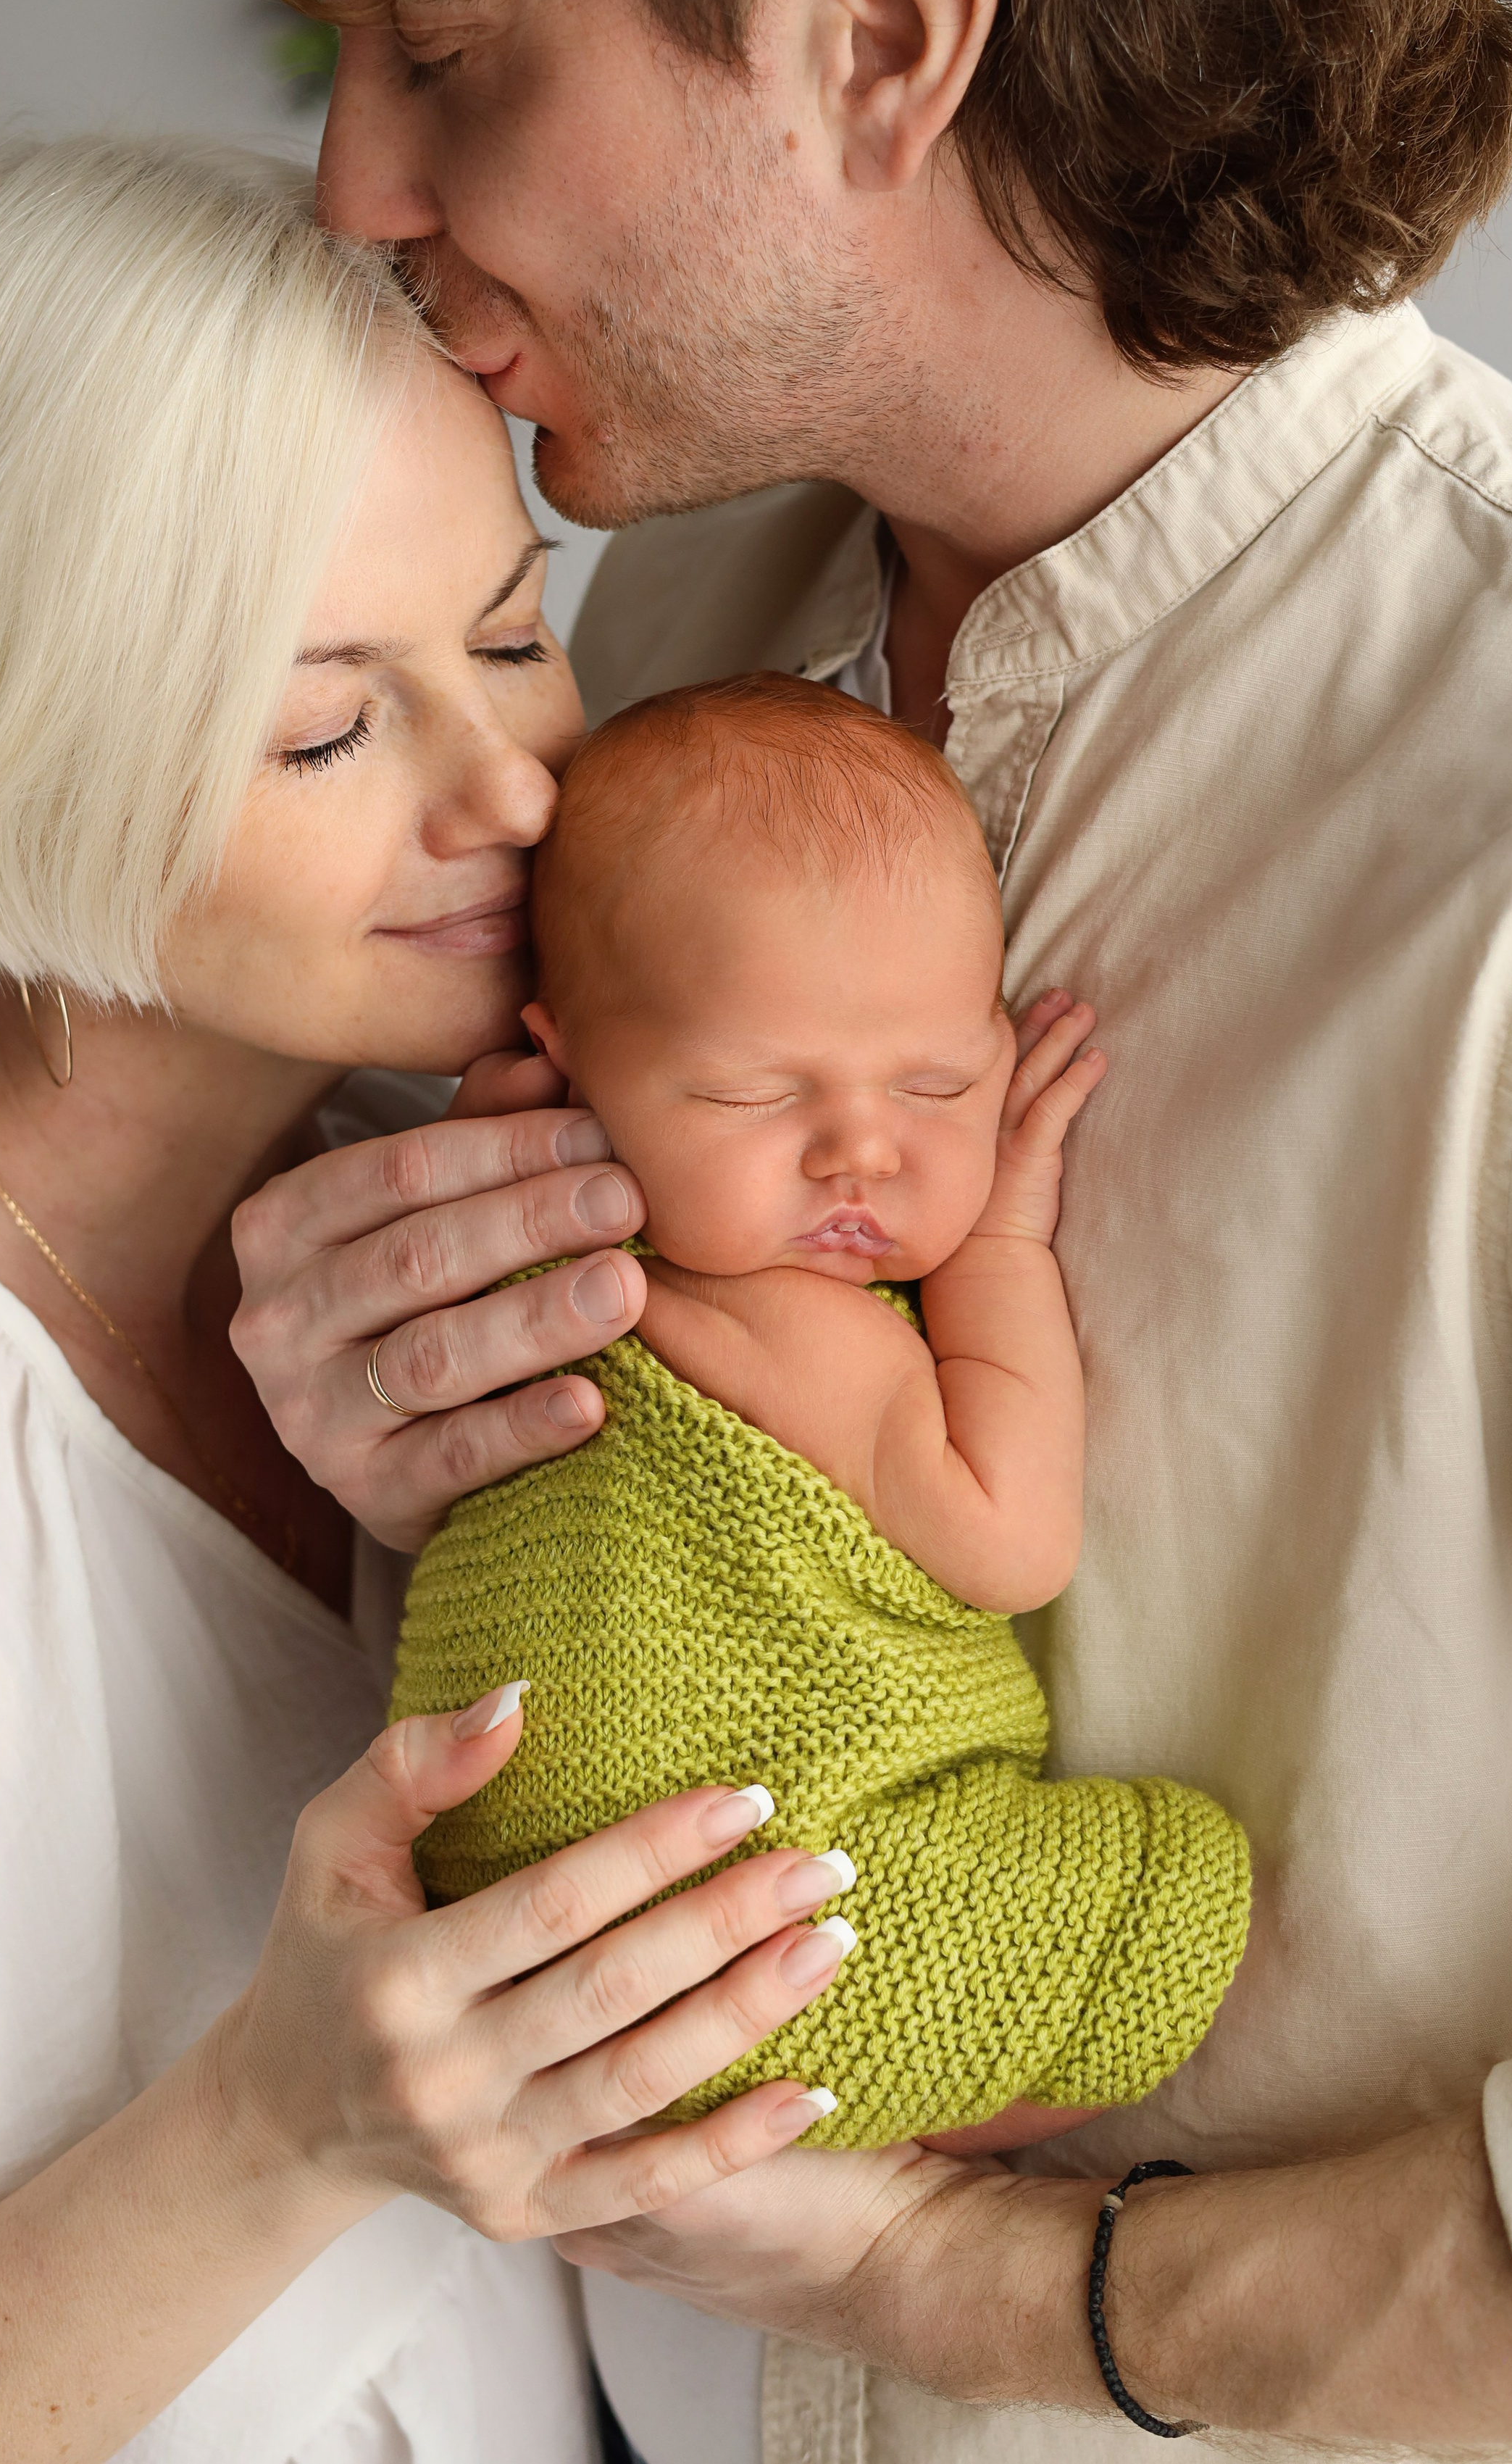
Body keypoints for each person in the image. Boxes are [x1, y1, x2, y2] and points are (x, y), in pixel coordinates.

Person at [154, 0, 1512, 2452]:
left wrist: (987, 2288)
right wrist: (381, 1421)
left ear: (891, 34)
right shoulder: (627, 667)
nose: (351, 183)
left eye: (438, 48)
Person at [0, 132, 864, 2464]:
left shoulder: (487, 1207)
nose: (518, 794)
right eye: (330, 727)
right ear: (10, 754)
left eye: (515, 636)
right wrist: (282, 2123)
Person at [393, 673, 1252, 2152]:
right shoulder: (791, 1329)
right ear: (567, 1060)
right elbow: (1009, 1543)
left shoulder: (521, 1240)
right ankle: (917, 2121)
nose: (859, 1151)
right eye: (746, 1095)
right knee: (1174, 1895)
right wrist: (999, 1239)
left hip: (537, 1935)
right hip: (764, 1933)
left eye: (936, 1082)